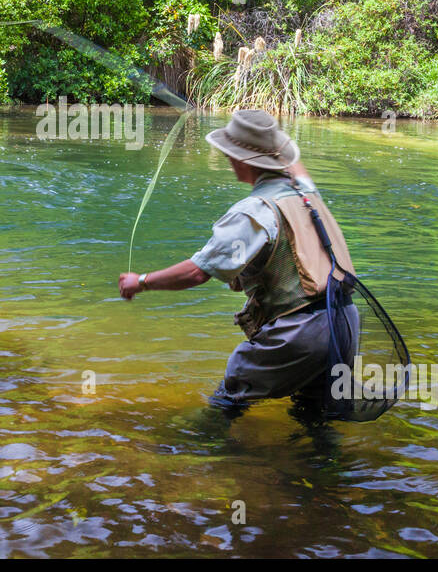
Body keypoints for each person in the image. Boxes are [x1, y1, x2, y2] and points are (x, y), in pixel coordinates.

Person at [118, 109, 360, 418]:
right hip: (345, 322)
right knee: (315, 415)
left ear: (243, 160)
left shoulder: (255, 212)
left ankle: (197, 455)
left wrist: (140, 282)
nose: (227, 158)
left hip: (302, 333)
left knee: (229, 398)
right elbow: (293, 161)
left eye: (231, 152)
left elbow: (196, 272)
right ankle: (326, 464)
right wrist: (266, 137)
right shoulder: (305, 190)